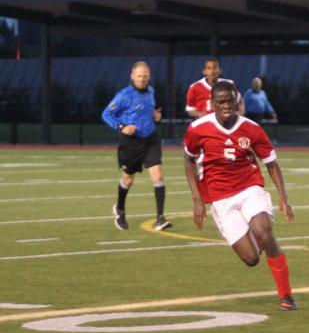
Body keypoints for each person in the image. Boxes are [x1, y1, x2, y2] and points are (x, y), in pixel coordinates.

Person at [182, 80, 297, 311]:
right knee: (251, 259)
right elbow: (188, 159)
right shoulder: (198, 129)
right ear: (213, 103)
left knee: (263, 230)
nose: (226, 106)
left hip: (249, 187)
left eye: (230, 101)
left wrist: (284, 198)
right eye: (221, 102)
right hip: (221, 199)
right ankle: (257, 242)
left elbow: (272, 164)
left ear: (237, 100)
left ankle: (286, 295)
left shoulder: (252, 128)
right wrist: (197, 200)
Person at [102, 61, 172, 232]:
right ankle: (120, 209)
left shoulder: (151, 91)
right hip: (131, 143)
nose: (142, 79)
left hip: (151, 140)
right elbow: (106, 114)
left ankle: (160, 219)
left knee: (158, 176)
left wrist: (156, 116)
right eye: (139, 76)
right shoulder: (124, 95)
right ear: (132, 76)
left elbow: (150, 111)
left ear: (149, 77)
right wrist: (122, 127)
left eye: (145, 76)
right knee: (128, 179)